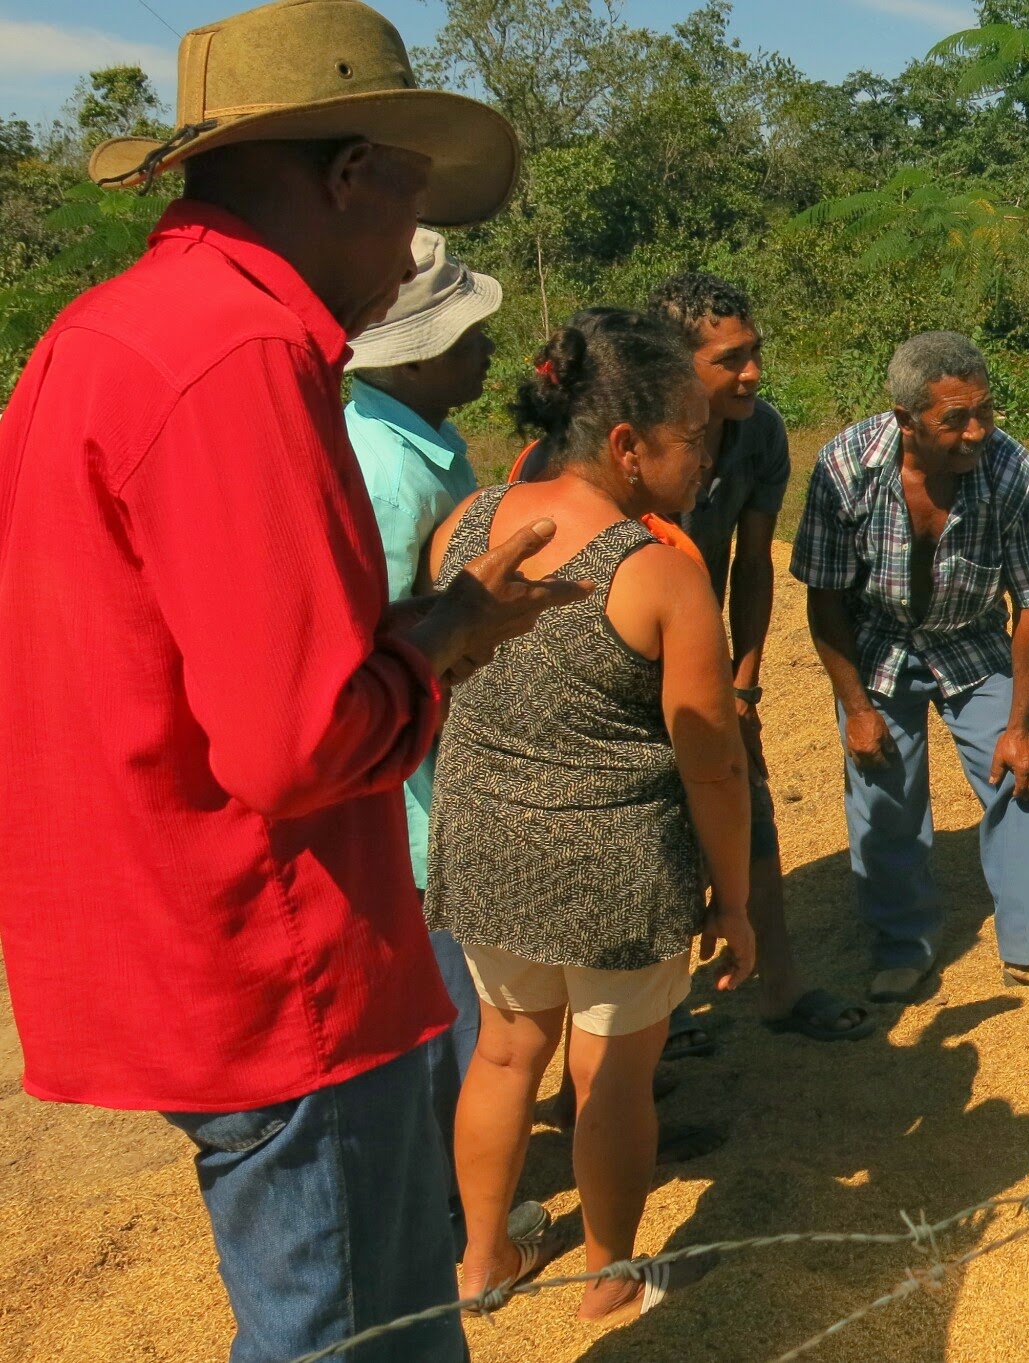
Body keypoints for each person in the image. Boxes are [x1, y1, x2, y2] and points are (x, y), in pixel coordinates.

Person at [0, 2, 563, 1359]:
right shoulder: (241, 354)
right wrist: (448, 633)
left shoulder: (106, 332)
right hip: (274, 949)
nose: (412, 252)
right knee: (354, 1330)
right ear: (351, 174)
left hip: (165, 923)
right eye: (411, 203)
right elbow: (295, 744)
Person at [429, 309, 756, 1322]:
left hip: (484, 848)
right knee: (612, 1068)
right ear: (626, 444)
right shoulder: (659, 574)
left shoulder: (470, 520)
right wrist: (734, 899)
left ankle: (482, 1259)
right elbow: (714, 766)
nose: (706, 457)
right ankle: (607, 1271)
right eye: (691, 436)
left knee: (501, 1050)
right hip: (614, 868)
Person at [342, 225, 550, 1252]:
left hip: (436, 768)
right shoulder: (388, 473)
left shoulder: (416, 437)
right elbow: (377, 645)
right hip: (419, 789)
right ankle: (464, 1217)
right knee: (452, 1011)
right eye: (467, 338)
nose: (486, 351)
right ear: (413, 359)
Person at [793, 331, 1029, 1003]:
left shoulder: (1013, 471)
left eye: (984, 410)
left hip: (971, 637)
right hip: (877, 641)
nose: (976, 431)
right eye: (955, 419)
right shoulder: (845, 467)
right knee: (883, 790)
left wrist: (1023, 724)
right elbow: (825, 599)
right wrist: (858, 709)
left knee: (1022, 775)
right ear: (907, 420)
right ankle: (904, 945)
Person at [642, 273, 876, 1047]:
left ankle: (780, 987)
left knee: (751, 804)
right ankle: (659, 1015)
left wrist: (743, 686)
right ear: (675, 365)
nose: (752, 373)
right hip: (630, 660)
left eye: (755, 353)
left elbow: (752, 563)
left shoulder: (761, 433)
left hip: (705, 656)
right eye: (730, 360)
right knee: (649, 830)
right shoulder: (636, 439)